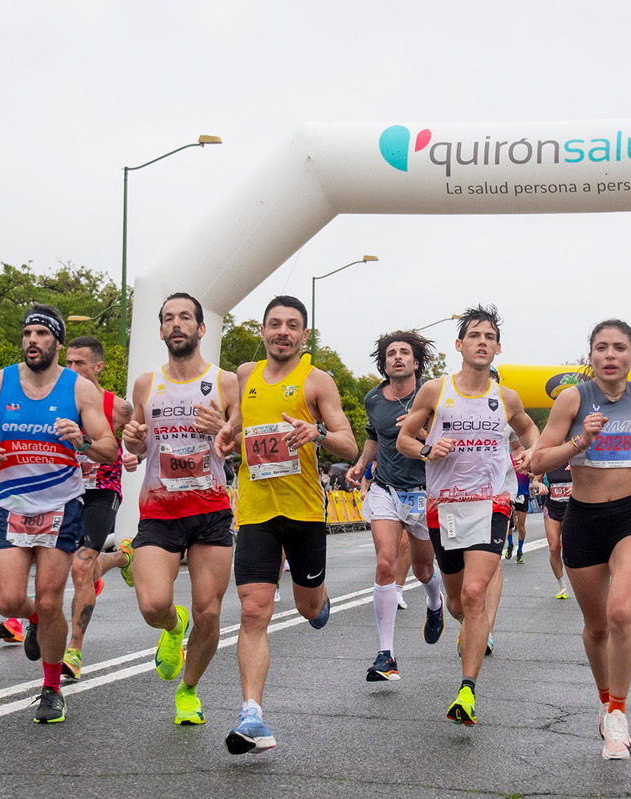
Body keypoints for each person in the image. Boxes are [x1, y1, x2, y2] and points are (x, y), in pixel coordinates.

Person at [528, 318, 631, 760]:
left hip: (630, 517)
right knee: (596, 628)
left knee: (620, 613)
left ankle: (618, 713)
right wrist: (581, 440)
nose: (610, 355)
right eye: (602, 347)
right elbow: (538, 460)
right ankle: (603, 702)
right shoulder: (572, 399)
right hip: (582, 519)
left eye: (619, 348)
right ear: (590, 357)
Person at [217, 295, 358, 755]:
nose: (282, 332)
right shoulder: (244, 375)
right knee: (254, 610)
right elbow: (237, 425)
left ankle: (319, 603)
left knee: (306, 608)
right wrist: (224, 436)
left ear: (304, 335)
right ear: (262, 331)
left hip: (304, 513)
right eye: (274, 324)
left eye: (291, 325)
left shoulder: (317, 382)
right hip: (256, 512)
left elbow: (349, 446)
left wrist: (315, 433)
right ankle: (252, 714)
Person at [0, 304, 118, 723]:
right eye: (27, 333)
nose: (32, 340)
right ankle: (33, 618)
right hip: (12, 505)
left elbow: (109, 448)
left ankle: (51, 689)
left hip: (60, 505)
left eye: (41, 334)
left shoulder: (78, 389)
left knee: (52, 598)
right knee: (7, 601)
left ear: (57, 341)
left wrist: (83, 440)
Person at [397, 305, 538, 726]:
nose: (482, 341)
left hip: (492, 502)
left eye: (489, 336)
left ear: (497, 347)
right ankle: (460, 620)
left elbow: (529, 429)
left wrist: (529, 450)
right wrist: (426, 449)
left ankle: (466, 690)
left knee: (475, 595)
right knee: (459, 602)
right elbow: (404, 439)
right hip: (445, 507)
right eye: (474, 335)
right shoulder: (435, 392)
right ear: (459, 345)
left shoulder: (506, 397)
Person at [121, 292, 239, 727]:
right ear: (161, 331)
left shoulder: (225, 382)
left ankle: (188, 691)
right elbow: (135, 439)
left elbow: (240, 441)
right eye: (169, 318)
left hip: (210, 509)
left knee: (210, 612)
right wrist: (132, 438)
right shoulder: (146, 383)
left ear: (201, 328)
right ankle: (174, 626)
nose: (177, 325)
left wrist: (223, 429)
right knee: (153, 604)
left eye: (185, 317)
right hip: (159, 508)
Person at [347, 329, 446, 685]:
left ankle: (435, 603)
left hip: (425, 490)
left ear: (417, 361)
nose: (398, 357)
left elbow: (450, 439)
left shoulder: (434, 395)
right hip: (386, 488)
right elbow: (375, 434)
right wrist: (361, 464)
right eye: (391, 353)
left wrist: (421, 434)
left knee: (422, 569)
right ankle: (386, 655)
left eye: (405, 352)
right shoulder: (374, 398)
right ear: (384, 362)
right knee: (386, 563)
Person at [59, 336, 139, 681]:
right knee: (71, 568)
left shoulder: (118, 407)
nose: (72, 369)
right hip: (64, 491)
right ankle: (122, 558)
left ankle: (73, 650)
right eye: (68, 362)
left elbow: (140, 441)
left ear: (98, 367)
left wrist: (134, 453)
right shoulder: (55, 399)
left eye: (80, 363)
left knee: (81, 568)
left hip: (102, 490)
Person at [541, 462, 573, 599]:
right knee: (554, 547)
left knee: (569, 546)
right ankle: (561, 585)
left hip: (572, 507)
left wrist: (578, 487)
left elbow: (590, 478)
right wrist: (539, 485)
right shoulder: (550, 458)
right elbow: (535, 481)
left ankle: (579, 583)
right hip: (552, 507)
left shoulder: (575, 455)